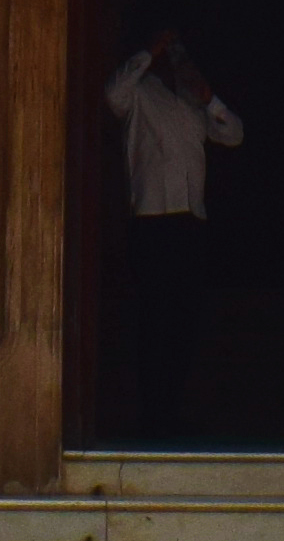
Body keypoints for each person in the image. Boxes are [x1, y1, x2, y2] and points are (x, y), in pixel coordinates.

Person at [99, 25, 241, 435]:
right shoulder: (140, 95)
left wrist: (208, 97)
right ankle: (152, 414)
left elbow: (233, 134)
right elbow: (113, 92)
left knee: (184, 321)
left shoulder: (191, 104)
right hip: (153, 221)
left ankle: (172, 409)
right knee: (155, 321)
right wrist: (153, 46)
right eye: (171, 53)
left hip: (190, 223)